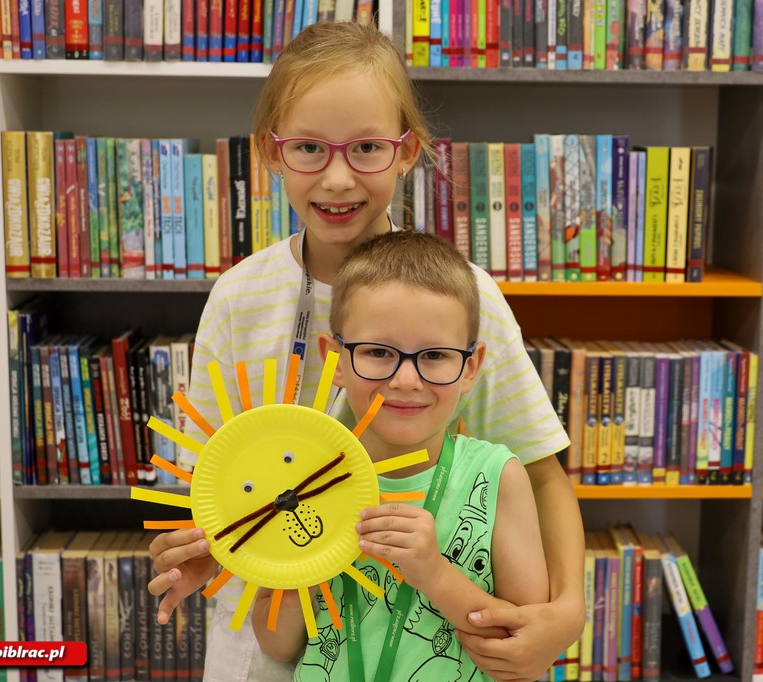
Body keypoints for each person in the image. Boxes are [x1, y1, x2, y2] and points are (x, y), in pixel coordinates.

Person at [147, 21, 585, 682]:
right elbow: (208, 485)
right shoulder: (239, 298)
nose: (337, 178)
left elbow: (541, 474)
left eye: (367, 148)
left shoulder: (465, 298)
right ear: (270, 152)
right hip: (269, 638)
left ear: (406, 151)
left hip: (425, 644)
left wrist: (568, 613)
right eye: (308, 148)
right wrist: (207, 548)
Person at [253, 230, 550, 680]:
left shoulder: (497, 476)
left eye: (434, 355)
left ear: (470, 367)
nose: (406, 380)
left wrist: (434, 574)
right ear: (334, 359)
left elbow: (521, 643)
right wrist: (307, 564)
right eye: (378, 352)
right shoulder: (300, 481)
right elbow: (274, 643)